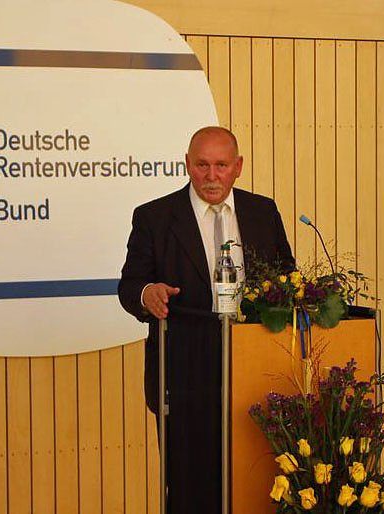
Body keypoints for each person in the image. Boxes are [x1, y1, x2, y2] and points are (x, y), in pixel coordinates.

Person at [118, 126, 294, 512]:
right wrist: (147, 294)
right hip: (183, 374)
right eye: (202, 165)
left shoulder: (263, 212)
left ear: (238, 167)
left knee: (255, 481)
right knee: (190, 489)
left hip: (255, 371)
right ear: (187, 164)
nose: (211, 176)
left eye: (221, 165)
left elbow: (287, 277)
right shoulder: (154, 217)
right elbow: (130, 286)